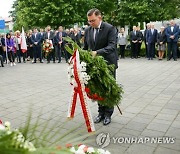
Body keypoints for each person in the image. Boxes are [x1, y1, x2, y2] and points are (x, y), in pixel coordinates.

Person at [84, 8, 118, 125]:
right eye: (89, 21)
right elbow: (85, 48)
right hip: (95, 66)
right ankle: (100, 113)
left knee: (108, 89)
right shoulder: (88, 30)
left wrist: (97, 52)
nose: (90, 23)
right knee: (98, 89)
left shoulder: (110, 28)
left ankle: (108, 114)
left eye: (93, 20)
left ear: (100, 17)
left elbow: (112, 46)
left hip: (108, 64)